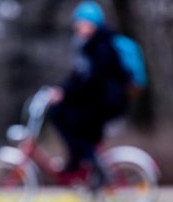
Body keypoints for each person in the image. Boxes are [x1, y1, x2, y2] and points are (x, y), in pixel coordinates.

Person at [48, 1, 130, 188]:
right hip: (98, 101)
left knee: (66, 118)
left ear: (93, 24)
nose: (78, 26)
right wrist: (61, 90)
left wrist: (66, 94)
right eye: (77, 22)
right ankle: (82, 162)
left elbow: (93, 81)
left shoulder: (101, 46)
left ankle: (92, 165)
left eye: (82, 22)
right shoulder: (89, 45)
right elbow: (79, 76)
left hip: (106, 103)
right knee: (64, 116)